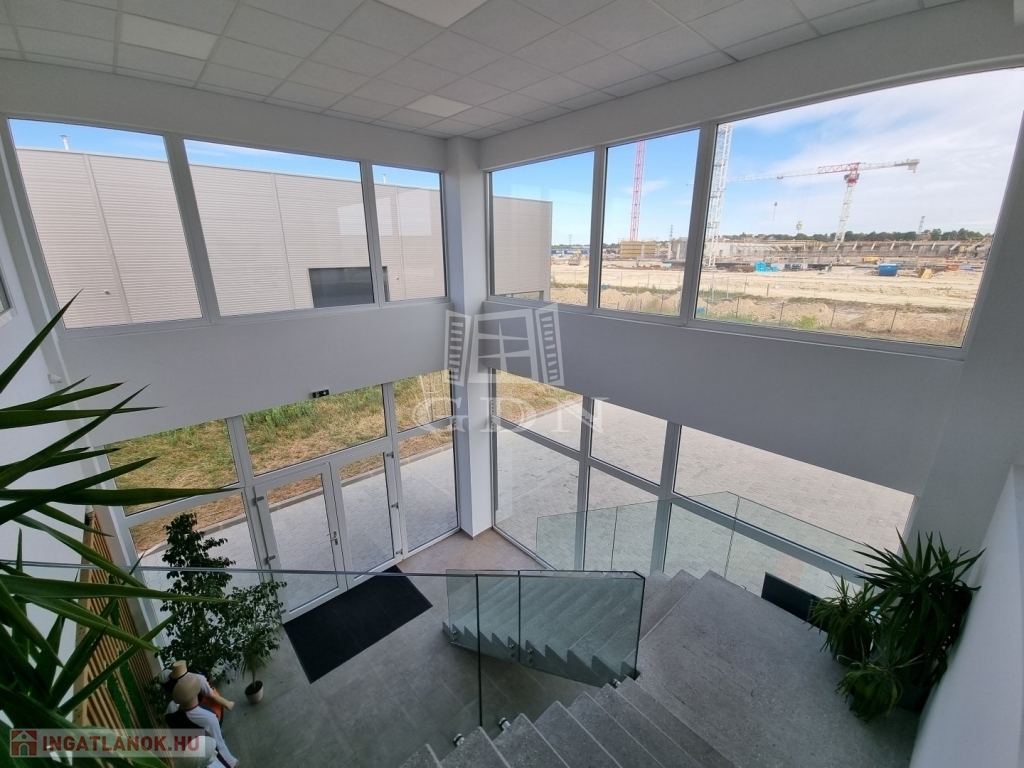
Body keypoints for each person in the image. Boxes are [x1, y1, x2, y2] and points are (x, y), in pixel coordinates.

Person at [166, 673, 239, 768]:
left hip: (189, 754)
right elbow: (219, 746)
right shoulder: (207, 718)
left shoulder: (171, 708)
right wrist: (232, 763)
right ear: (197, 691)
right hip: (208, 760)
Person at [160, 660, 234, 722]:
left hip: (174, 709)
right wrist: (227, 704)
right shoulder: (197, 678)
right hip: (192, 709)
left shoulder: (164, 676)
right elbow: (211, 696)